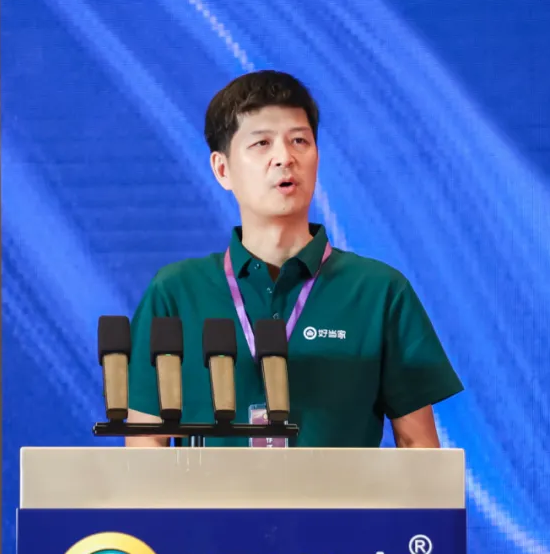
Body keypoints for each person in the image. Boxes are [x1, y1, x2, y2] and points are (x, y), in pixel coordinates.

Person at [127, 70, 462, 448]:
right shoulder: (176, 292)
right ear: (222, 169)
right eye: (262, 143)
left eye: (299, 141)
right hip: (212, 492)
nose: (284, 158)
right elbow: (147, 444)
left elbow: (418, 447)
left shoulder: (379, 292)